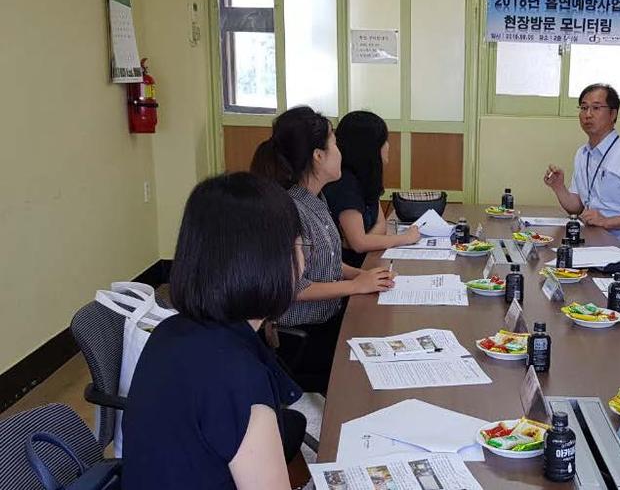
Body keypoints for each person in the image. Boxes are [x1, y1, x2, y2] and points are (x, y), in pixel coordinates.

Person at [123, 172, 308, 489]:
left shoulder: (170, 331)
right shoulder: (238, 377)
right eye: (299, 245)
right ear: (270, 261)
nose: (304, 258)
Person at [251, 106, 395, 393]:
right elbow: (296, 287)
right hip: (303, 333)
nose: (341, 151)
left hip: (326, 316)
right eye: (335, 144)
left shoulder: (315, 200)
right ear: (318, 156)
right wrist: (355, 286)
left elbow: (325, 260)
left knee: (385, 325)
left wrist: (362, 275)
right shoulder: (289, 208)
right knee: (376, 361)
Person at [543, 83, 620, 247]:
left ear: (613, 114)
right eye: (583, 108)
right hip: (594, 238)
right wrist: (558, 187)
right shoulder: (582, 154)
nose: (588, 114)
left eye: (596, 108)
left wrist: (607, 222)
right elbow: (576, 207)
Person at [323, 111, 420, 269]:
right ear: (369, 147)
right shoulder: (344, 184)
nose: (388, 146)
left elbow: (381, 225)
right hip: (349, 270)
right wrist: (404, 238)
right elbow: (359, 244)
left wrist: (365, 241)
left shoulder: (367, 178)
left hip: (368, 258)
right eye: (384, 141)